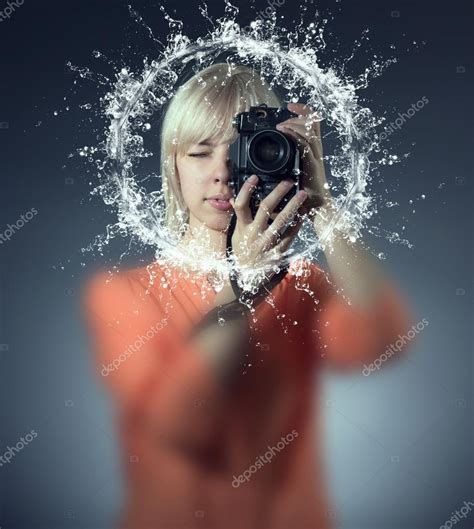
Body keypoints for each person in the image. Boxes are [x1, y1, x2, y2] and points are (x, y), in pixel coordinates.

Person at [82, 63, 413, 529]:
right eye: (199, 153)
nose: (222, 172)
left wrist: (322, 204)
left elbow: (383, 343)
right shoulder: (122, 293)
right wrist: (244, 284)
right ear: (172, 168)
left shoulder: (303, 286)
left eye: (245, 151)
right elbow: (181, 425)